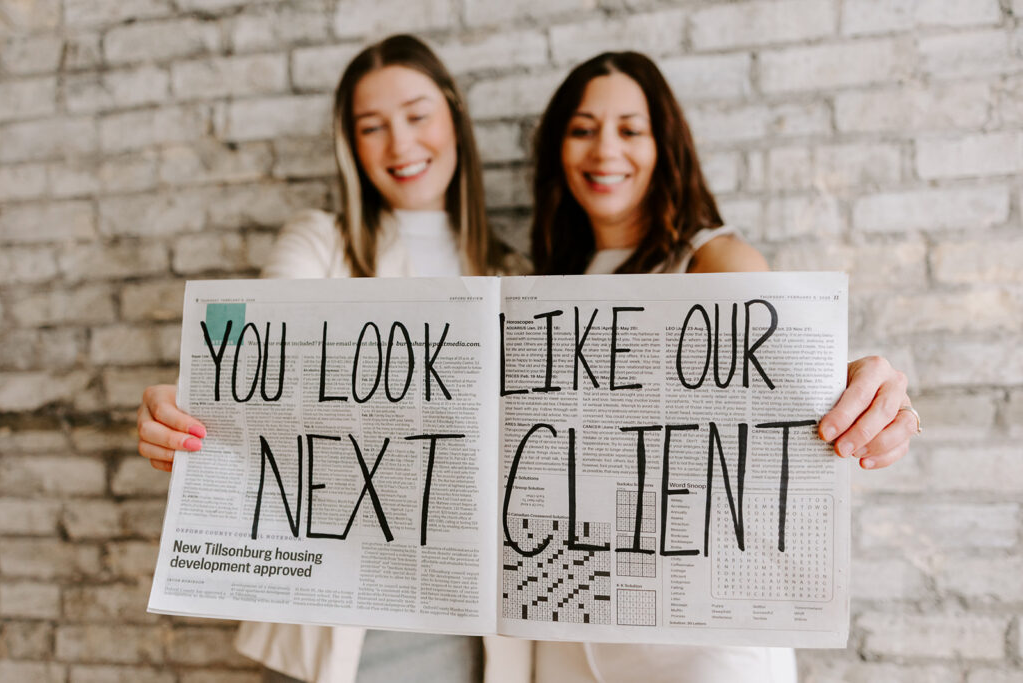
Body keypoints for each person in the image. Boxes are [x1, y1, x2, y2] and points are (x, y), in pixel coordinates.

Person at [136, 35, 529, 683]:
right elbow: (250, 343)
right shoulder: (320, 242)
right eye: (372, 127)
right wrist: (185, 394)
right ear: (352, 146)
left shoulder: (512, 276)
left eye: (417, 115)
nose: (400, 145)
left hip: (468, 632)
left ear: (455, 116)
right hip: (333, 627)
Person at [527, 51, 921, 683]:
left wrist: (867, 396)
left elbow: (793, 401)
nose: (605, 150)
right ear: (557, 149)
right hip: (570, 629)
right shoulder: (545, 285)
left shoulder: (715, 262)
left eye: (630, 129)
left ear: (666, 146)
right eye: (582, 129)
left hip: (701, 640)